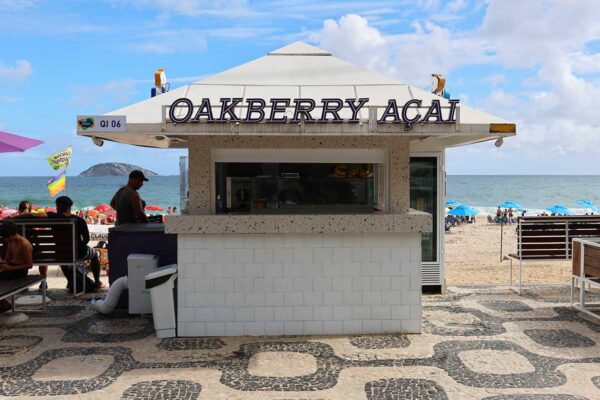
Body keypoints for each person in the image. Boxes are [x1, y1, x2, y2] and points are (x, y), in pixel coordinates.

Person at [48, 196, 104, 291]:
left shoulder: (52, 217)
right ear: (70, 207)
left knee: (64, 259)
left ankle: (72, 282)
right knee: (95, 254)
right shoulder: (80, 220)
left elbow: (33, 216)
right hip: (77, 252)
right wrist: (79, 246)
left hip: (59, 253)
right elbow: (86, 239)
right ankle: (97, 281)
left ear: (58, 207)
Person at [11, 201, 48, 289]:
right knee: (42, 256)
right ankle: (44, 282)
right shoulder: (33, 221)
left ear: (19, 210)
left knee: (19, 254)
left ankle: (21, 283)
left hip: (17, 253)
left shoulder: (13, 221)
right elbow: (37, 239)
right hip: (34, 253)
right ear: (31, 210)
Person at [0, 221, 33, 312]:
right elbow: (7, 259)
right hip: (11, 268)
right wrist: (3, 263)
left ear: (11, 234)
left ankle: (3, 304)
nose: (5, 240)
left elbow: (29, 265)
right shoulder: (11, 242)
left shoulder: (24, 244)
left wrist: (10, 268)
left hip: (20, 271)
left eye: (6, 237)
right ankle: (3, 303)